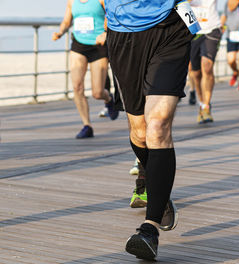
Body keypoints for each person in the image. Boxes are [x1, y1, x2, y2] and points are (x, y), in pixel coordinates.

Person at [105, 0, 198, 260]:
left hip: (170, 27)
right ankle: (159, 192)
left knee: (158, 125)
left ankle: (150, 229)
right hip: (123, 34)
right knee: (140, 132)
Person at [52, 0, 119, 139]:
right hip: (79, 45)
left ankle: (108, 98)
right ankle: (86, 125)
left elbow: (112, 15)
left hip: (98, 45)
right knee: (77, 86)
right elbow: (67, 21)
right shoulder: (72, 1)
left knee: (97, 92)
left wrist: (106, 33)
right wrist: (60, 32)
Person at [189, 0, 222, 124]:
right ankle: (202, 103)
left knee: (207, 67)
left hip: (211, 29)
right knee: (196, 73)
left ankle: (206, 106)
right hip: (193, 31)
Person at [221, 0, 239, 91]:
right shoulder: (227, 3)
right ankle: (236, 72)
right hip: (231, 34)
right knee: (230, 60)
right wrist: (221, 25)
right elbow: (224, 15)